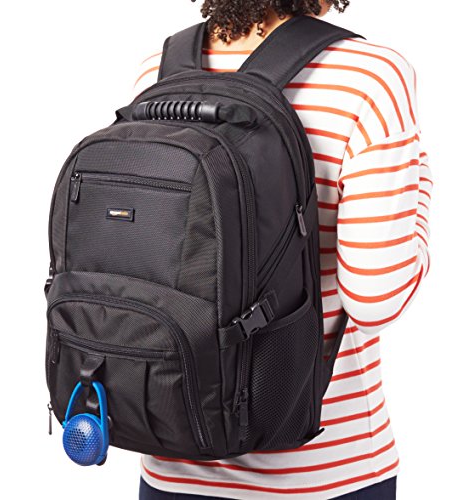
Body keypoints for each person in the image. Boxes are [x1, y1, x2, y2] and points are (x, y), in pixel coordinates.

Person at [133, 1, 432, 498]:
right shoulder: (372, 76)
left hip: (170, 461)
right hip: (325, 472)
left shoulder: (160, 70)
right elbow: (377, 298)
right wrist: (419, 195)